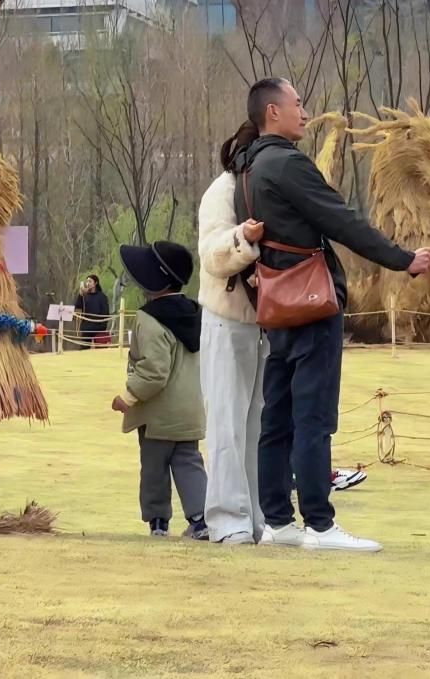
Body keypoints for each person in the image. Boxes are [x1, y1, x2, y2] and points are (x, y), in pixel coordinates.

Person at [234, 77, 430, 552]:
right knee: (313, 418)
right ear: (272, 113)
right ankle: (320, 525)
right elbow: (342, 221)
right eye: (298, 104)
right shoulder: (288, 164)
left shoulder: (246, 172)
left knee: (278, 418)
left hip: (274, 306)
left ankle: (279, 522)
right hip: (311, 303)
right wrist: (404, 259)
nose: (305, 113)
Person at [198, 121, 269, 545]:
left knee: (258, 427)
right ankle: (226, 519)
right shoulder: (222, 191)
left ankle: (256, 517)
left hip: (265, 324)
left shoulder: (267, 192)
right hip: (226, 321)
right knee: (226, 424)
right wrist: (244, 237)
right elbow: (211, 254)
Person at [111, 241, 209, 540]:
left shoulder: (149, 318)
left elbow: (154, 371)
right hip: (190, 411)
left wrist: (127, 397)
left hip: (157, 416)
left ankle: (158, 522)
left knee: (154, 468)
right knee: (189, 464)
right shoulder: (197, 313)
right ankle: (201, 518)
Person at [74, 274, 110, 348]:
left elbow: (106, 313)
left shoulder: (102, 297)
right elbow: (78, 307)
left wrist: (101, 325)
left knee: (101, 351)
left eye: (90, 281)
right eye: (87, 281)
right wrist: (80, 295)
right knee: (84, 350)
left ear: (95, 283)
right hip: (87, 328)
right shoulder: (85, 296)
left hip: (99, 328)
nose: (87, 283)